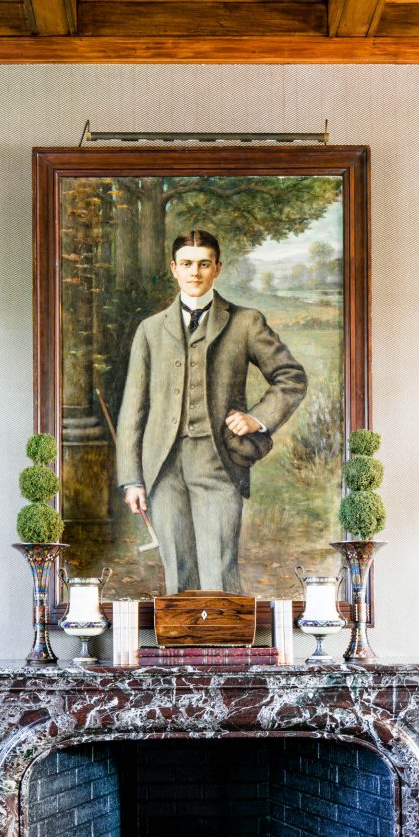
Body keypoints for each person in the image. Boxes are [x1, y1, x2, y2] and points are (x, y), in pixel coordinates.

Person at [116, 229, 307, 594]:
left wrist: (258, 418)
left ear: (217, 268)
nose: (195, 272)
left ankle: (226, 648)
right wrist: (131, 479)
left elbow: (291, 377)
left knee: (219, 570)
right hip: (162, 467)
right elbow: (133, 409)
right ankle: (182, 648)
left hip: (219, 460)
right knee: (178, 573)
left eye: (204, 264)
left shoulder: (246, 322)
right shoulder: (150, 330)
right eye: (187, 264)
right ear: (174, 268)